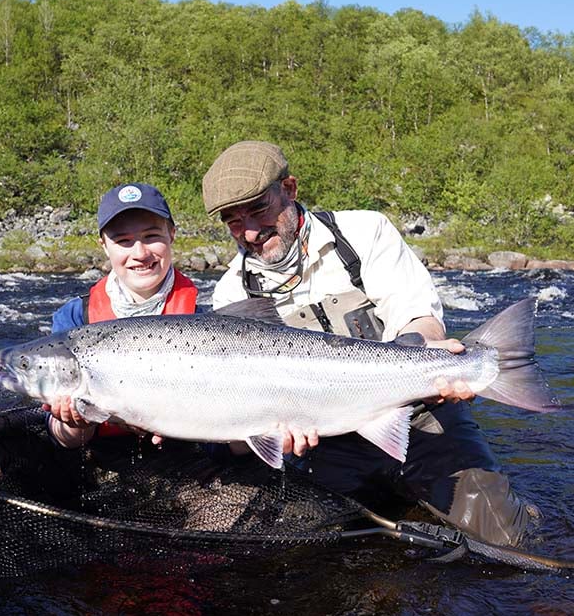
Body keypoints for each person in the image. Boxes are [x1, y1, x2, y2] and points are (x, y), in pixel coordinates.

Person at [201, 140, 531, 547]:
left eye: (258, 209)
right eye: (233, 221)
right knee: (321, 551)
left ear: (289, 188)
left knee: (503, 536)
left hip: (419, 415)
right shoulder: (232, 292)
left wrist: (429, 358)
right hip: (329, 442)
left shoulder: (363, 232)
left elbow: (419, 317)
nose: (249, 231)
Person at [44, 182, 198, 448]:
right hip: (102, 460)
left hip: (185, 459)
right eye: (123, 241)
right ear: (104, 245)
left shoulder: (205, 314)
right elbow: (67, 441)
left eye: (151, 236)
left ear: (171, 234)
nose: (140, 253)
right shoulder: (74, 319)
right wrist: (73, 422)